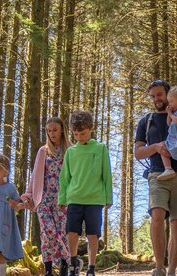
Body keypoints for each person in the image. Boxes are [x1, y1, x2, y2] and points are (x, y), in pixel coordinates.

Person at [133, 80, 177, 276]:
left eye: (160, 94)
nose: (157, 99)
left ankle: (172, 270)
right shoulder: (146, 121)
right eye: (153, 96)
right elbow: (138, 152)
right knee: (157, 215)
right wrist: (156, 147)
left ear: (168, 95)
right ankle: (158, 267)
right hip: (157, 174)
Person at [59, 110, 112, 276]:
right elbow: (64, 178)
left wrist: (108, 197)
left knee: (92, 235)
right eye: (76, 134)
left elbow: (106, 175)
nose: (79, 137)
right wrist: (62, 199)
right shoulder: (70, 152)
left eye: (82, 133)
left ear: (91, 129)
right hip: (74, 198)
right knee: (71, 232)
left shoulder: (101, 148)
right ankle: (73, 262)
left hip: (95, 199)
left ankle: (91, 267)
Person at [20, 117, 71, 276]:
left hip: (63, 199)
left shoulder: (70, 150)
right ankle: (48, 269)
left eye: (54, 130)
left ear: (62, 129)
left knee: (62, 233)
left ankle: (64, 267)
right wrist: (29, 195)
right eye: (48, 131)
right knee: (47, 233)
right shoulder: (43, 151)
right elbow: (36, 175)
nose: (52, 133)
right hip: (44, 199)